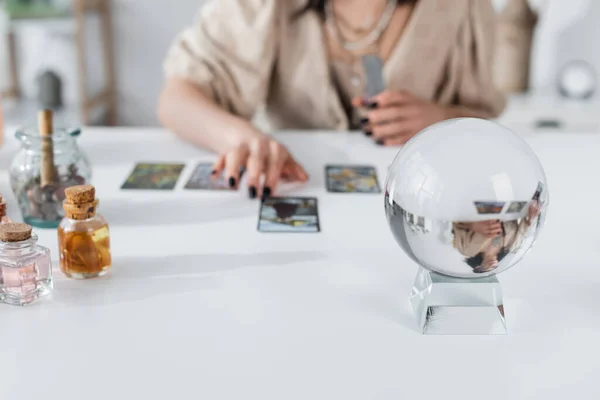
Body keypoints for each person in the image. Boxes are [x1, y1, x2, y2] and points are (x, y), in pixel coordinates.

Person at [158, 0, 506, 199]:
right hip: (302, 193)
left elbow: (486, 122)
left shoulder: (463, 7)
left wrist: (440, 119)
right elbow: (176, 99)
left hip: (425, 199)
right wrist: (243, 139)